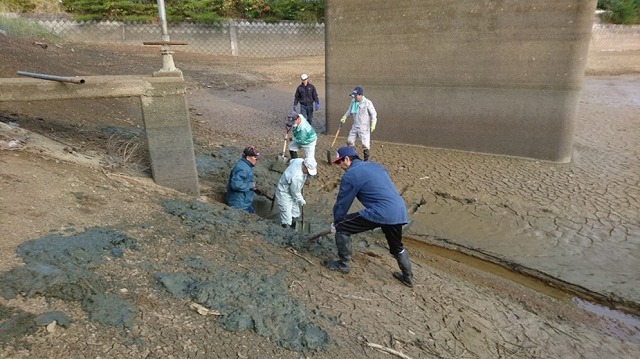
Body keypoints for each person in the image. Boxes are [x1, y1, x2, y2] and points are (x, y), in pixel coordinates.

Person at [323, 146, 414, 287]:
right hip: (398, 210)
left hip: (381, 211)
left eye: (339, 162)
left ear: (347, 159)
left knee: (341, 227)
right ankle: (408, 277)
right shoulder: (376, 166)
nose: (339, 166)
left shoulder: (350, 175)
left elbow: (343, 203)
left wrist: (337, 222)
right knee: (396, 246)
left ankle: (343, 265)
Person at [275, 158, 317, 229]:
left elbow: (291, 161)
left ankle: (294, 224)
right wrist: (301, 200)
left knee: (296, 212)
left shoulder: (299, 160)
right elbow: (295, 192)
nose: (308, 173)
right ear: (304, 166)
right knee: (286, 215)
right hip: (284, 193)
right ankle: (286, 227)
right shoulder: (296, 176)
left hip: (292, 188)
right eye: (308, 171)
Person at [340, 86, 377, 161]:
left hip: (364, 127)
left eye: (356, 96)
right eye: (353, 96)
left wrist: (373, 123)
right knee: (349, 141)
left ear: (360, 95)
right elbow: (349, 110)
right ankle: (352, 157)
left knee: (365, 145)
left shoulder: (367, 103)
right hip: (355, 125)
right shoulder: (353, 102)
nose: (354, 97)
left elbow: (373, 114)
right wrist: (344, 117)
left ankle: (366, 160)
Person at [226, 145, 260, 213]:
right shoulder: (243, 168)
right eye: (254, 157)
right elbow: (235, 185)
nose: (256, 159)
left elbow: (243, 181)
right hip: (239, 204)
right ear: (247, 157)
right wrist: (250, 185)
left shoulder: (245, 165)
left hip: (244, 202)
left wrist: (252, 188)